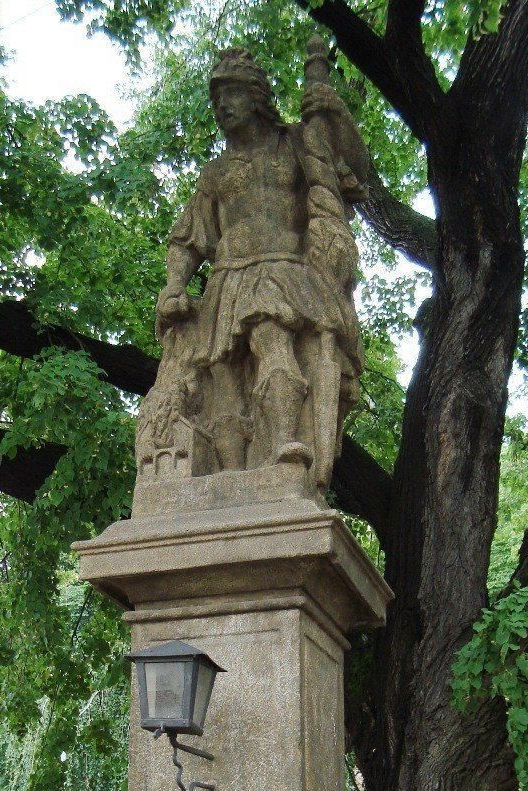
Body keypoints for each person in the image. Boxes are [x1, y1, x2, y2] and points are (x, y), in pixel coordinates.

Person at [150, 46, 367, 487]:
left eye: (231, 93)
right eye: (216, 99)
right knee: (223, 377)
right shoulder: (214, 173)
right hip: (227, 279)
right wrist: (174, 286)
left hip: (283, 271)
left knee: (270, 336)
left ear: (256, 97)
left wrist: (335, 112)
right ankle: (232, 477)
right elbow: (189, 239)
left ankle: (287, 445)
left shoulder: (296, 144)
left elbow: (352, 174)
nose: (222, 106)